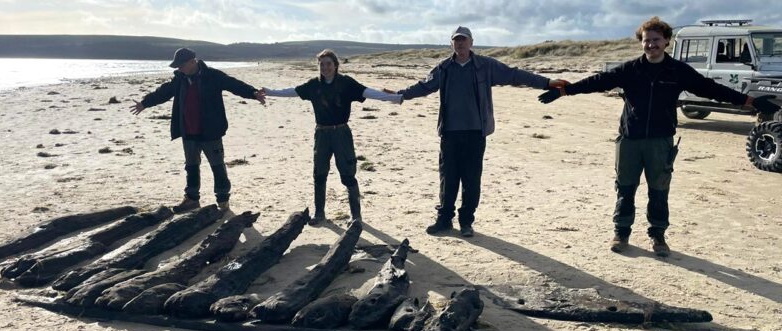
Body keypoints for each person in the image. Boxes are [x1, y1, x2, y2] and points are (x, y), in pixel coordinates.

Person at [539, 16, 780, 256]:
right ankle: (621, 233)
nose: (651, 45)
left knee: (659, 191)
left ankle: (658, 235)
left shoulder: (677, 71)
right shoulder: (630, 69)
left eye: (656, 40)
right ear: (641, 42)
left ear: (666, 41)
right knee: (625, 188)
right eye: (646, 40)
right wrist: (565, 91)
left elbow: (711, 89)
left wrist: (750, 101)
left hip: (660, 141)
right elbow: (598, 81)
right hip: (630, 140)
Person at [391, 26, 567, 237]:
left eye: (463, 40)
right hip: (450, 133)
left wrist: (546, 83)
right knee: (448, 178)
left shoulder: (485, 66)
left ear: (471, 42)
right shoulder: (444, 68)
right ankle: (444, 220)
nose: (460, 44)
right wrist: (399, 95)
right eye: (456, 40)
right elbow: (424, 86)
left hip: (476, 132)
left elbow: (514, 75)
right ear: (451, 44)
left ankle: (466, 222)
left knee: (471, 180)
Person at [261, 49, 402, 226]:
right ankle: (319, 214)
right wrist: (270, 92)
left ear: (335, 65)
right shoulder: (313, 85)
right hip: (321, 134)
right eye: (322, 64)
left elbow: (368, 92)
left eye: (328, 64)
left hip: (341, 133)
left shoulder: (346, 83)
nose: (325, 67)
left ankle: (356, 216)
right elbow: (293, 91)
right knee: (319, 174)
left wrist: (393, 97)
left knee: (348, 174)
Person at [130, 47, 266, 212]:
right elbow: (163, 92)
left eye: (181, 65)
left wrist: (253, 93)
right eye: (178, 66)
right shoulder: (180, 79)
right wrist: (145, 103)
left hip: (210, 131)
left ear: (192, 62)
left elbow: (234, 85)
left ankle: (223, 200)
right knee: (191, 167)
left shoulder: (213, 75)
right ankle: (192, 199)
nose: (179, 69)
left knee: (217, 166)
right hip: (188, 131)